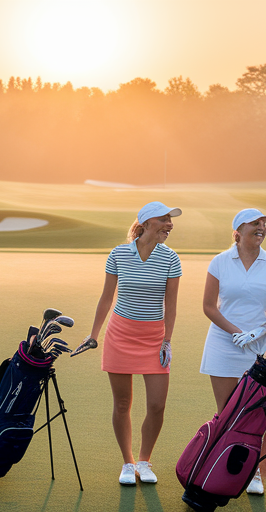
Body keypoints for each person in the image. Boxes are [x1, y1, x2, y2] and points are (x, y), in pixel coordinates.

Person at [84, 201, 183, 486]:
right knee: (123, 403)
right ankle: (128, 463)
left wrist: (167, 340)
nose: (170, 224)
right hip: (120, 334)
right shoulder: (118, 254)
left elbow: (171, 306)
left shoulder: (170, 258)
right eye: (165, 219)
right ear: (147, 222)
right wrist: (94, 334)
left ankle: (144, 460)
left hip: (154, 338)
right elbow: (106, 297)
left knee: (156, 405)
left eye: (170, 220)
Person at [200, 208, 266, 495]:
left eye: (264, 224)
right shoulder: (221, 261)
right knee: (228, 414)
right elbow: (209, 306)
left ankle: (257, 474)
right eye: (255, 224)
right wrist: (236, 332)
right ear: (238, 230)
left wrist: (257, 332)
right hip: (224, 344)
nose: (261, 227)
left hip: (259, 346)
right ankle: (223, 472)